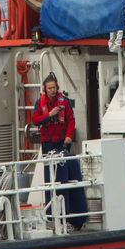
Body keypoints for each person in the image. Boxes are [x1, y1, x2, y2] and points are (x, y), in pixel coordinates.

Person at [30, 73, 86, 230]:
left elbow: (71, 120)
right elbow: (35, 120)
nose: (52, 90)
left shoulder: (64, 102)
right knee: (51, 180)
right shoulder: (39, 103)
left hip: (63, 143)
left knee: (64, 178)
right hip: (48, 144)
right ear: (45, 89)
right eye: (50, 88)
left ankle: (67, 215)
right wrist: (49, 115)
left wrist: (69, 136)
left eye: (54, 87)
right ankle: (51, 215)